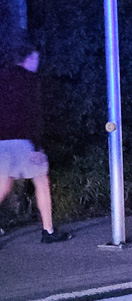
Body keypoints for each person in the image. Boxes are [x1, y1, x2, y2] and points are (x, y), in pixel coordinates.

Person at [0, 40, 72, 243]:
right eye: (36, 59)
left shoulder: (2, 78)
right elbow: (34, 113)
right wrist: (38, 146)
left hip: (1, 141)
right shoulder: (30, 81)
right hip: (23, 141)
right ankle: (48, 231)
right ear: (29, 59)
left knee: (3, 185)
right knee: (41, 181)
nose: (37, 63)